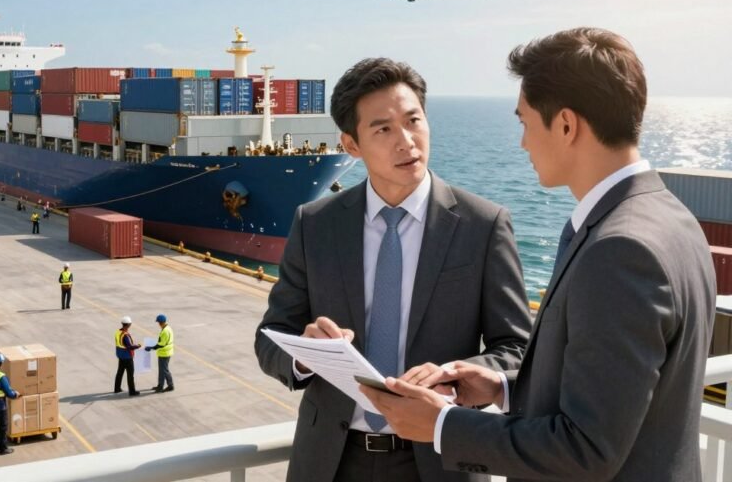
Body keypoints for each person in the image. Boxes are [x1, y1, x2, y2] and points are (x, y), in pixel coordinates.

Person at [362, 28, 716, 482]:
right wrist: (505, 387)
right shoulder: (673, 219)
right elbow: (624, 397)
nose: (522, 143)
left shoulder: (618, 251)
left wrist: (442, 426)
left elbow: (586, 449)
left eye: (525, 122)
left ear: (566, 125)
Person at [254, 57, 532, 482]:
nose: (407, 141)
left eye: (414, 120)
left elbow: (516, 349)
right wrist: (305, 356)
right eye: (383, 129)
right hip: (330, 461)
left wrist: (455, 376)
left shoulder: (484, 224)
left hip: (441, 461)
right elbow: (270, 337)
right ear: (351, 144)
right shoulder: (315, 223)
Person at [146, 314, 175, 392]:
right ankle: (160, 385)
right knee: (162, 370)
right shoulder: (168, 328)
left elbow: (161, 344)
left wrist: (151, 348)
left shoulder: (165, 331)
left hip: (164, 353)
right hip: (166, 352)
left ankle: (170, 385)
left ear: (160, 322)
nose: (158, 324)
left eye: (158, 322)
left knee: (164, 370)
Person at [114, 316, 142, 396]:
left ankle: (117, 388)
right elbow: (129, 346)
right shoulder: (125, 335)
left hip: (120, 355)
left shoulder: (118, 332)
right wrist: (138, 346)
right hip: (127, 357)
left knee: (120, 372)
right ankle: (132, 391)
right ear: (128, 325)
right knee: (130, 375)